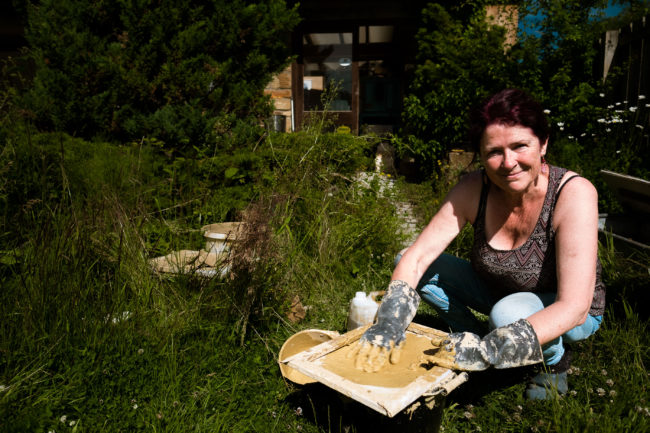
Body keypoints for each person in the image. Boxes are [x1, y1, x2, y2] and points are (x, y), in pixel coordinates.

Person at [351, 88, 605, 400]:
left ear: (543, 143)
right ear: (481, 156)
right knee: (407, 260)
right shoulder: (473, 188)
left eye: (519, 146)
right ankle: (466, 335)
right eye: (494, 152)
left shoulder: (574, 193)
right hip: (499, 289)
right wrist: (389, 322)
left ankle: (554, 363)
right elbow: (417, 259)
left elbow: (574, 306)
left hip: (565, 308)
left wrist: (487, 353)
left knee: (508, 314)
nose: (508, 162)